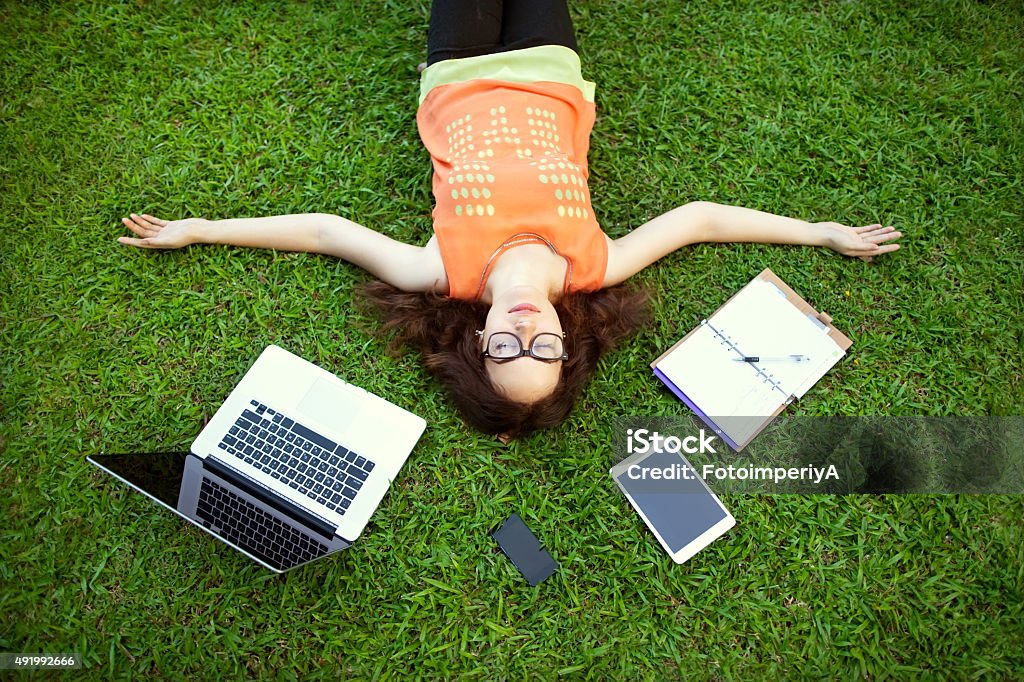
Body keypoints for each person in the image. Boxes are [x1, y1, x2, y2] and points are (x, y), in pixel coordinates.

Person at [119, 0, 902, 438]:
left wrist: (199, 228)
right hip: (552, 70)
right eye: (543, 348)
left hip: (457, 72)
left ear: (473, 343)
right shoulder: (596, 265)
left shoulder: (440, 270)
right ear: (570, 343)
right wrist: (820, 232)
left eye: (505, 348)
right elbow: (700, 218)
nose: (525, 329)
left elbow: (324, 231)